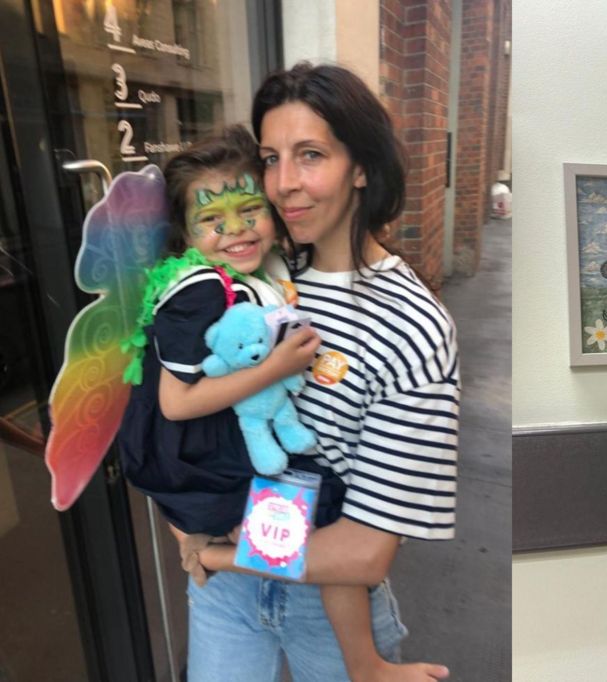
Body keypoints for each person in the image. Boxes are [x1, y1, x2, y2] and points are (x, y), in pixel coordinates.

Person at [117, 125, 449, 682]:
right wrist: (192, 537)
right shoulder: (204, 287)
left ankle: (365, 663)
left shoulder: (279, 275)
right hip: (228, 560)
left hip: (294, 561)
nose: (236, 231)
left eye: (311, 155)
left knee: (329, 504)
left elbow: (364, 552)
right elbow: (173, 407)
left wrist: (210, 553)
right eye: (276, 159)